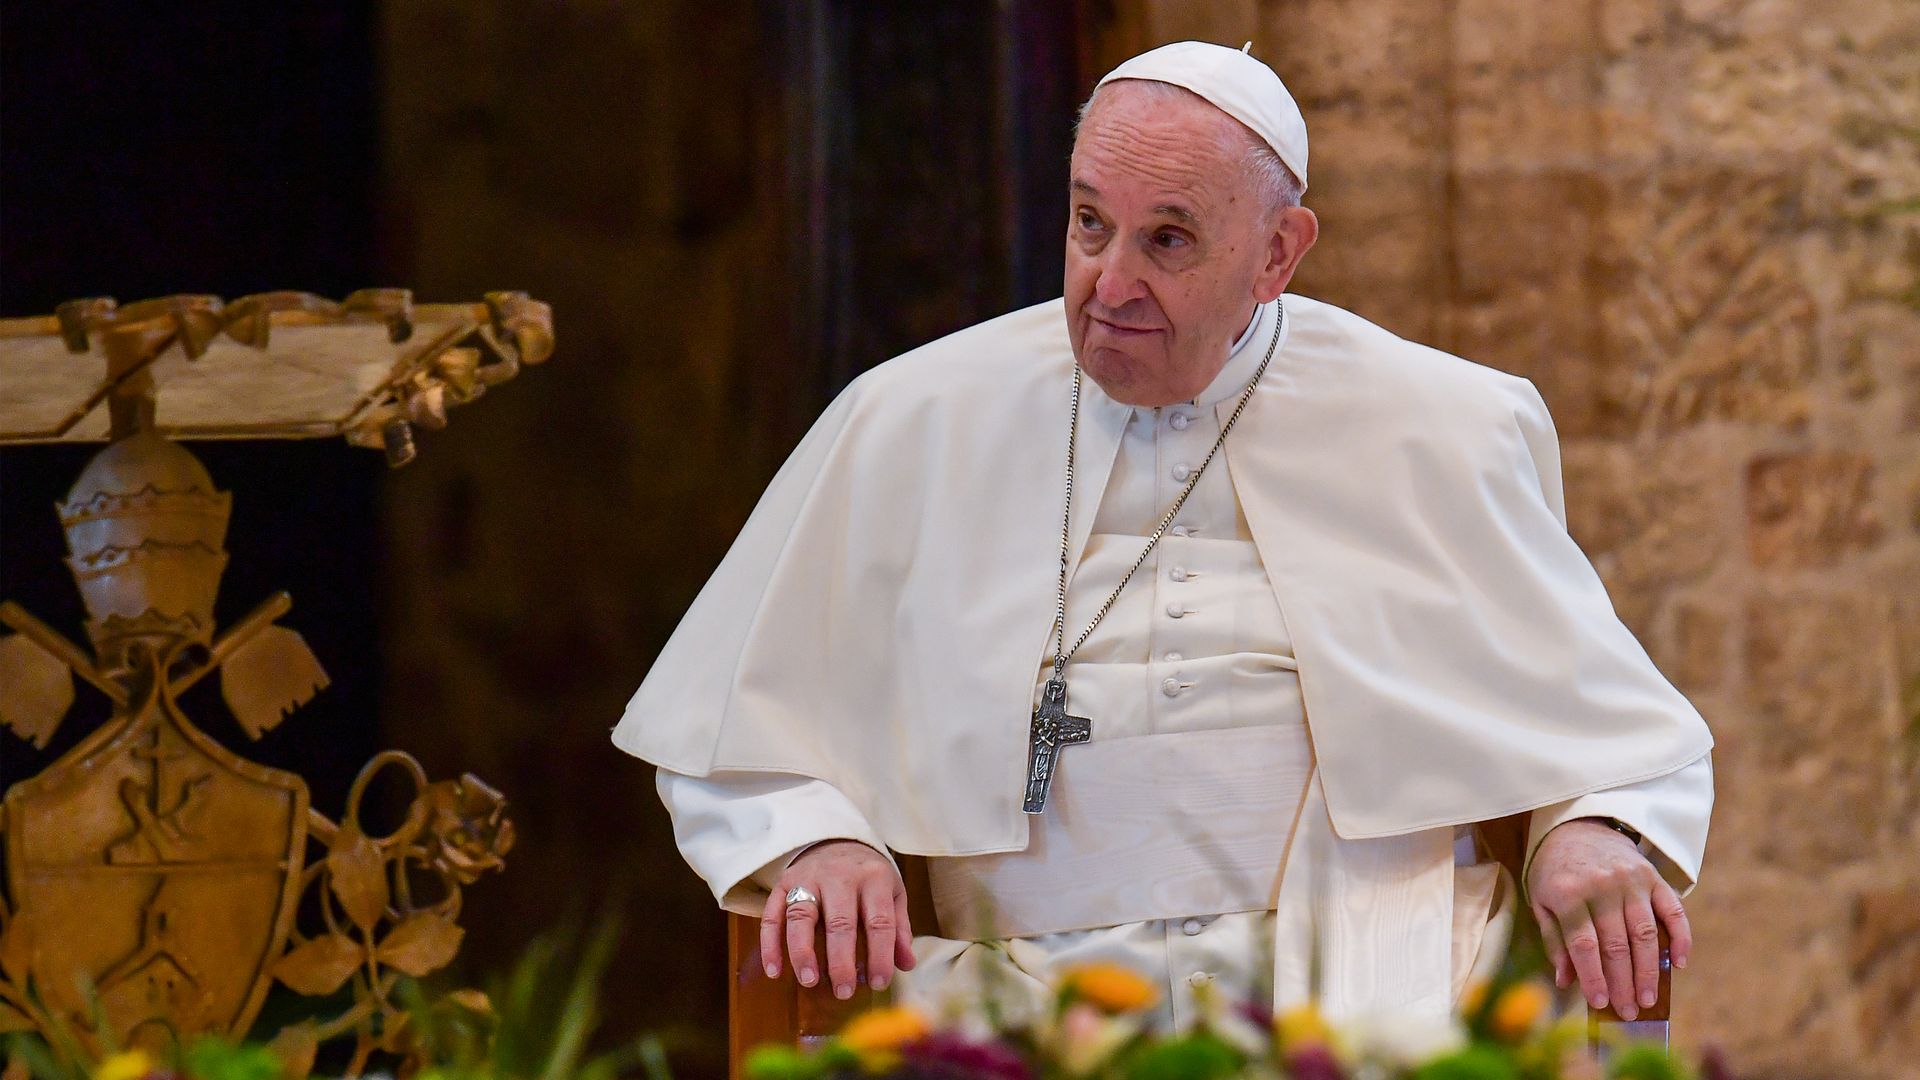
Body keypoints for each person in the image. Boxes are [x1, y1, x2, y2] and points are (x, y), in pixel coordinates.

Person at [613, 41, 1713, 1028]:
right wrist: (816, 838)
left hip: (1374, 979)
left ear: (1278, 253)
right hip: (1005, 990)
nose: (1109, 282)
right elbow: (734, 729)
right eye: (1090, 222)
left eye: (1169, 239)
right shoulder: (912, 417)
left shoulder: (1442, 422)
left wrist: (1594, 825)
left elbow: (1610, 733)